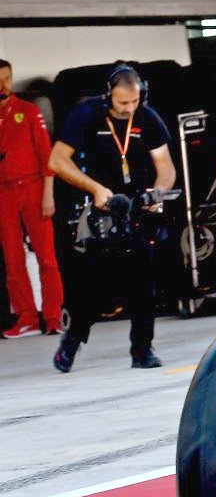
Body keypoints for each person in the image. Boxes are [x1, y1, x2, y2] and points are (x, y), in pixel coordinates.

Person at [48, 65, 176, 371]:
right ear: (108, 96)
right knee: (92, 286)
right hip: (99, 205)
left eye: (134, 102)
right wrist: (95, 188)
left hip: (134, 206)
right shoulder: (86, 114)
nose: (129, 108)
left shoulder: (147, 116)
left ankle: (142, 350)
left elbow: (166, 167)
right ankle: (72, 341)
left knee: (144, 282)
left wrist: (156, 194)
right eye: (122, 104)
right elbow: (57, 160)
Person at [0, 58, 63, 339]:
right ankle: (26, 318)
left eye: (8, 78)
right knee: (13, 260)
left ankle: (52, 316)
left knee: (46, 258)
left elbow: (46, 154)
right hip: (3, 194)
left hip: (34, 189)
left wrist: (48, 193)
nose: (4, 85)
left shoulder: (27, 111)